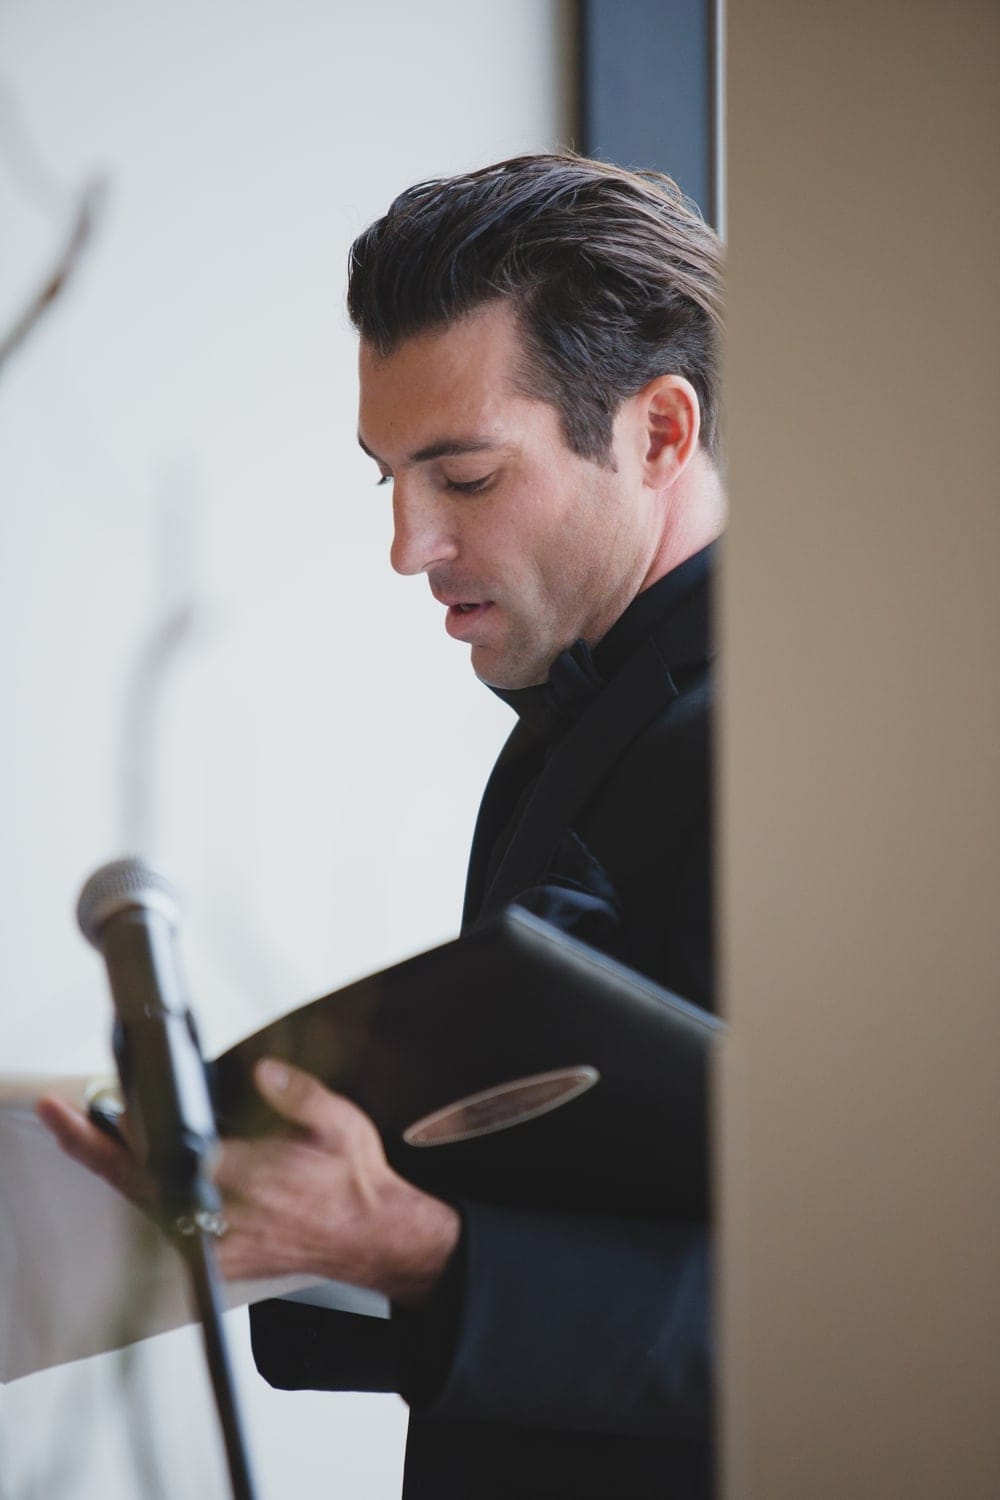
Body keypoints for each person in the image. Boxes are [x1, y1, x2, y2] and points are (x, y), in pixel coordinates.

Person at [40, 152, 725, 1498]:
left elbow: (903, 1321)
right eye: (388, 479)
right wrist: (295, 1214)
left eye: (464, 478)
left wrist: (406, 1245)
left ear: (657, 433)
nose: (407, 547)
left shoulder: (836, 763)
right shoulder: (575, 727)